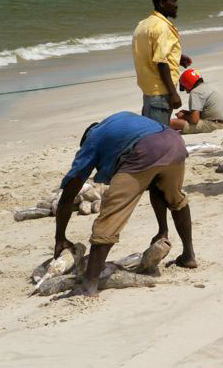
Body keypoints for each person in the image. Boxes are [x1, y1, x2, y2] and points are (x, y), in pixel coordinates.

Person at [54, 112, 196, 297]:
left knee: (112, 215)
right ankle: (189, 255)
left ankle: (89, 284)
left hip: (144, 151)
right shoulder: (120, 122)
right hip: (174, 143)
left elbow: (68, 194)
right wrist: (162, 230)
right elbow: (155, 187)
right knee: (175, 198)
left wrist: (60, 237)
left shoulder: (92, 140)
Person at [132, 0, 192, 126]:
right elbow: (160, 61)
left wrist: (176, 57)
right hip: (161, 93)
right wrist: (173, 93)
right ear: (161, 3)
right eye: (173, 1)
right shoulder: (162, 27)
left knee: (149, 134)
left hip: (148, 91)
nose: (176, 5)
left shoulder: (143, 25)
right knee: (158, 136)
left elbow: (149, 52)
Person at [170, 69, 223, 134]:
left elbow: (194, 120)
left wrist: (183, 116)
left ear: (188, 83)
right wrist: (187, 113)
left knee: (172, 122)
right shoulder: (210, 86)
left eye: (185, 88)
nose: (186, 92)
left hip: (214, 125)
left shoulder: (195, 92)